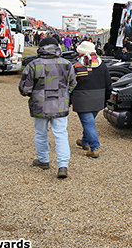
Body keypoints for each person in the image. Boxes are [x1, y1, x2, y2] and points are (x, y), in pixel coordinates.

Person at [19, 36, 76, 179]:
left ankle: (43, 160)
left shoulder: (34, 64)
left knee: (40, 133)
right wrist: (64, 94)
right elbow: (73, 83)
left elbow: (25, 88)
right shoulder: (67, 64)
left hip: (40, 105)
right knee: (61, 134)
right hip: (60, 104)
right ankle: (63, 165)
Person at [71, 41, 112, 159]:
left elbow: (71, 84)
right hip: (98, 97)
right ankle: (84, 141)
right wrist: (106, 97)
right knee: (89, 121)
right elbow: (108, 83)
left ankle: (95, 148)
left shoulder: (76, 66)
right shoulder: (101, 64)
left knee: (88, 124)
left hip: (82, 98)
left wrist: (69, 98)